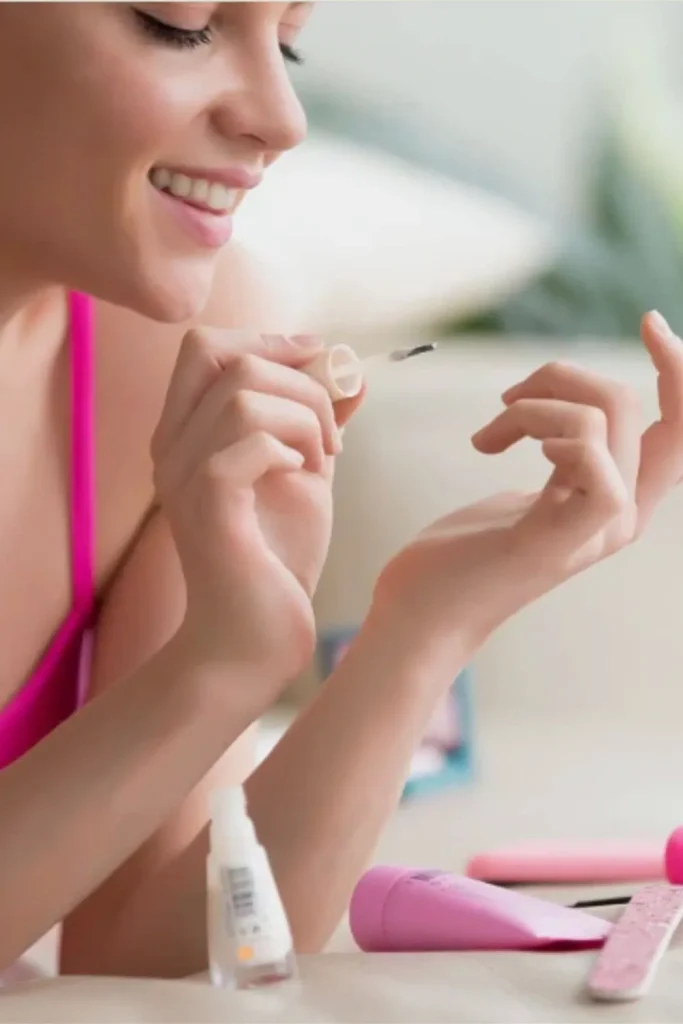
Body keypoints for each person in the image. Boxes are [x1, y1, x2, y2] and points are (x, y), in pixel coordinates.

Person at [0, 1, 682, 981]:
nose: (281, 117)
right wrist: (208, 672)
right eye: (179, 24)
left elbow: (155, 959)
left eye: (287, 42)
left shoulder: (180, 356)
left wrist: (419, 630)